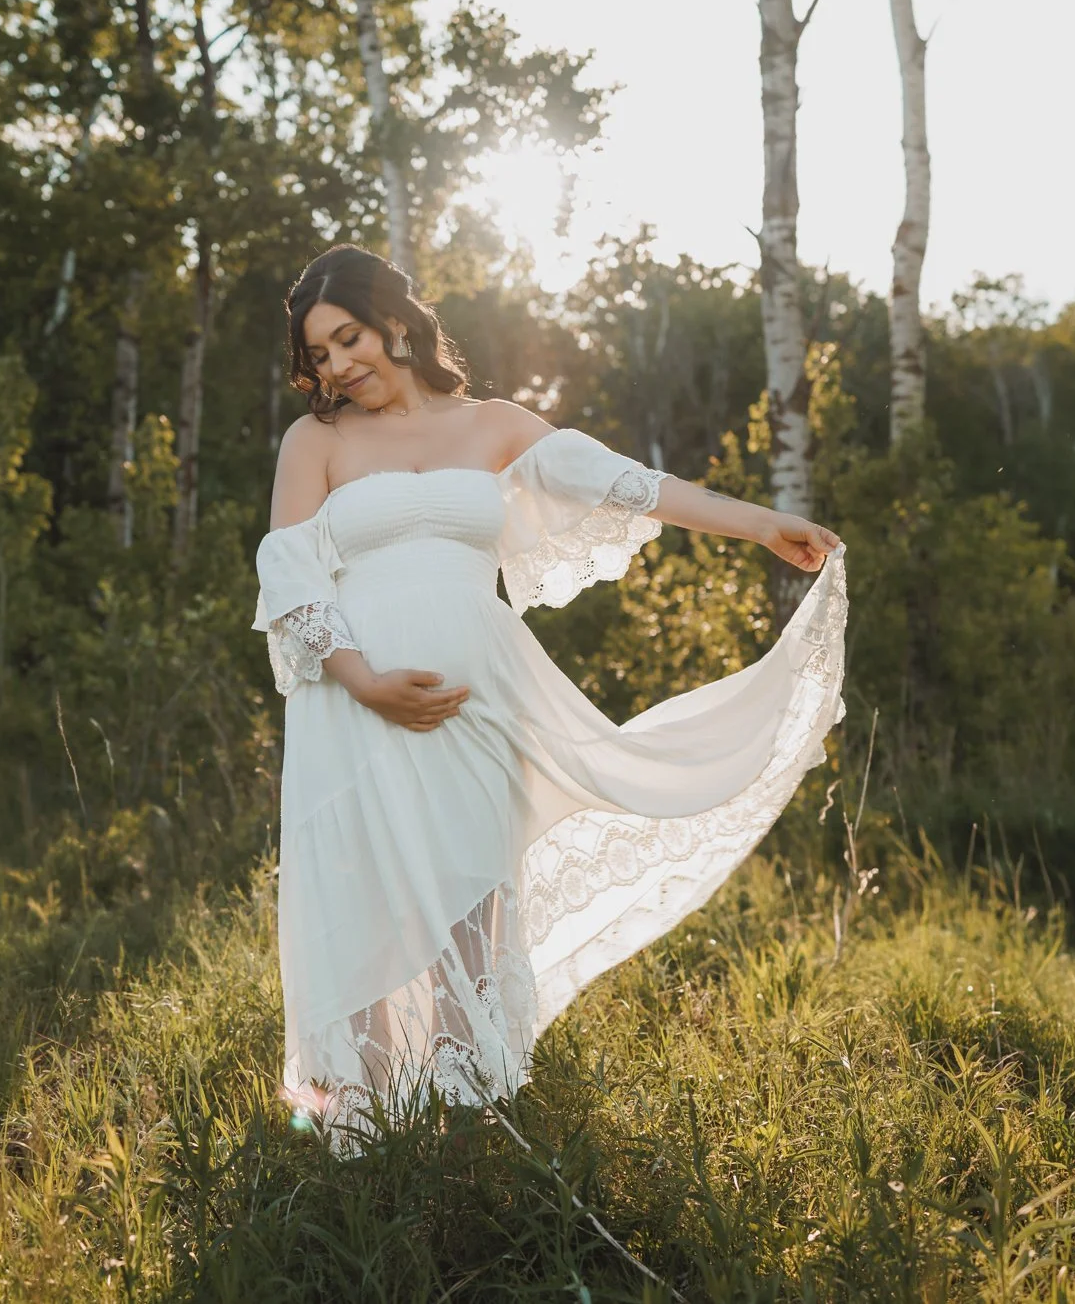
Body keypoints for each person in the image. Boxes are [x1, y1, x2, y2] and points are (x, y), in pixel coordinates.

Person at [256, 245, 848, 1148]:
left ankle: (469, 1130)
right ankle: (362, 1138)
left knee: (469, 901)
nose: (338, 366)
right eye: (320, 356)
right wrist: (364, 679)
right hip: (354, 706)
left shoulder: (491, 423)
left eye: (348, 339)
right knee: (364, 900)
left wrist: (762, 521)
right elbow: (293, 574)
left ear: (397, 323)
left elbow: (632, 484)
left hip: (479, 703)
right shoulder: (319, 441)